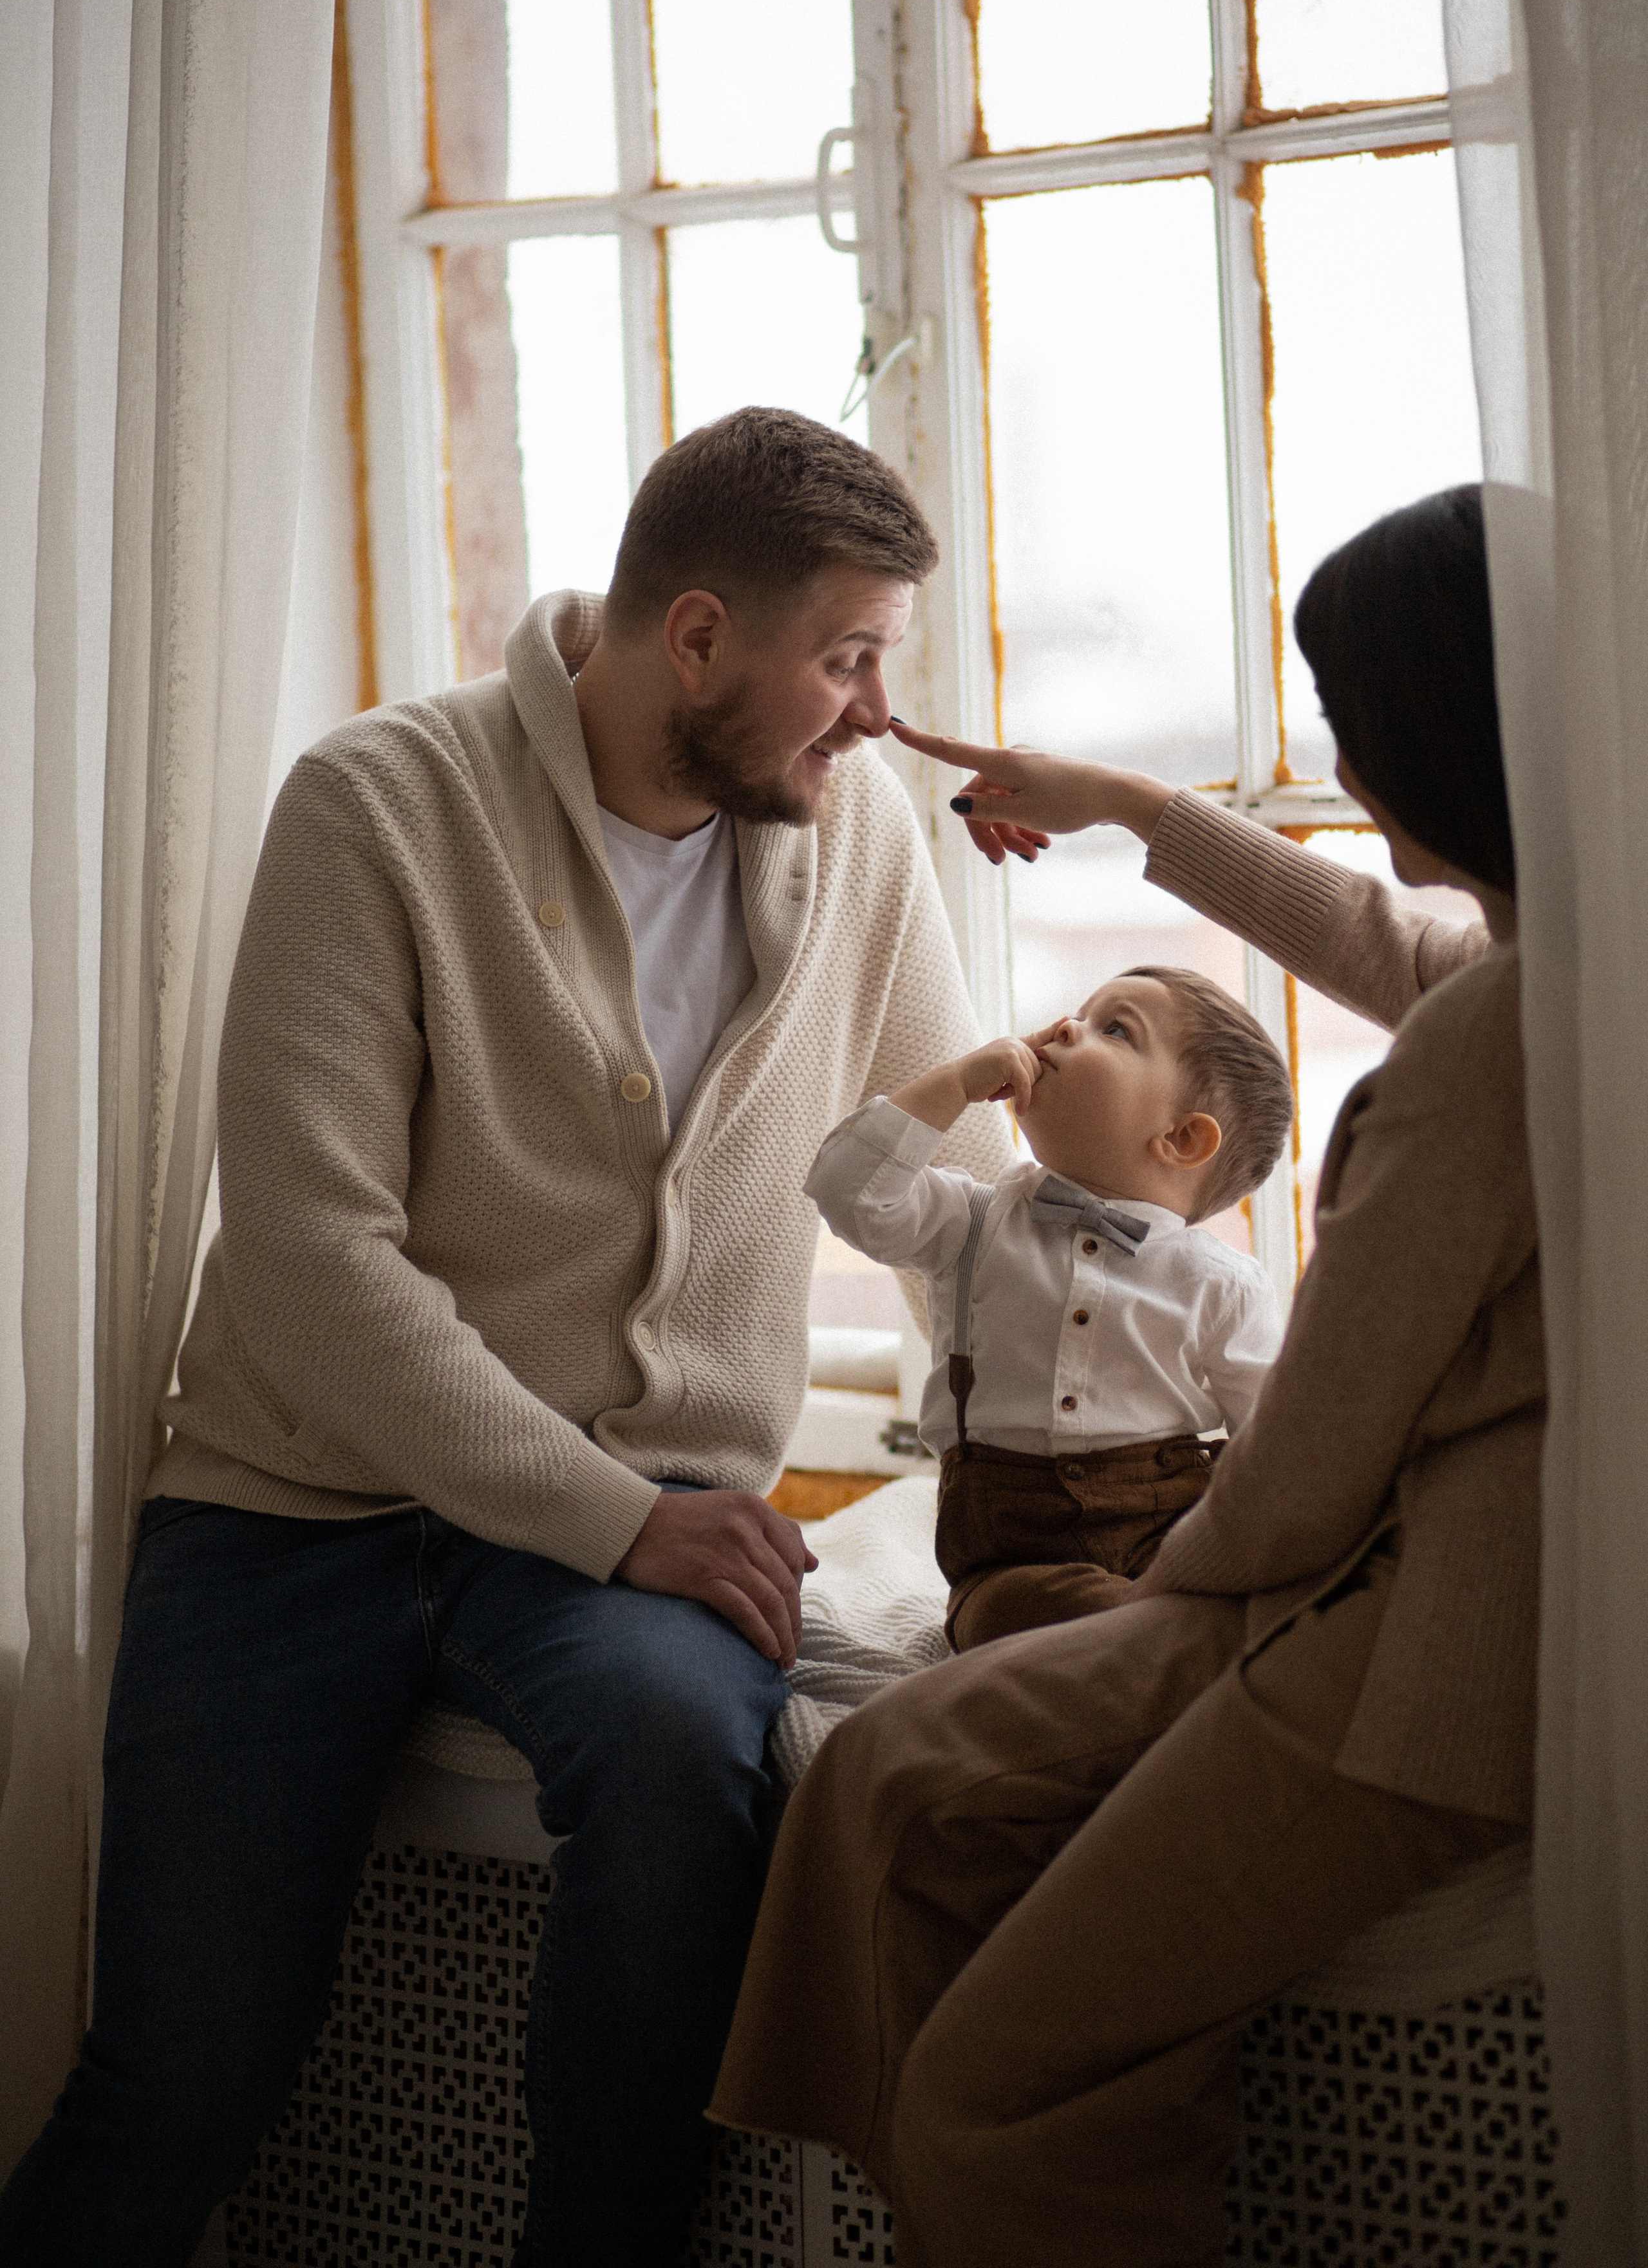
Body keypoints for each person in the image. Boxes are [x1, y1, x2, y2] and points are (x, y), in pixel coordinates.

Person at [0, 408, 1015, 2268]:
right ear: (697, 638)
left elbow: (957, 1166)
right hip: (291, 1508)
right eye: (851, 659)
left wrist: (1062, 1451)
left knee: (676, 1771)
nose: (881, 711)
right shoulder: (382, 801)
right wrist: (625, 1522)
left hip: (634, 1521)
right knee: (177, 2086)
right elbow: (317, 1257)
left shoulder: (854, 830)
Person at [709, 483, 1539, 2268]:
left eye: (1357, 733)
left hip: (1409, 1641)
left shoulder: (1494, 1047)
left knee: (978, 2050)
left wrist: (1172, 1583)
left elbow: (1309, 1451)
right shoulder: (1577, 956)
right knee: (890, 1771)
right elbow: (1425, 960)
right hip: (1334, 1588)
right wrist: (1127, 807)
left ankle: (919, 2167)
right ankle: (898, 2169)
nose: (1343, 767)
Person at [805, 967, 1289, 1648]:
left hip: (1165, 1537)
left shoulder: (1220, 1284)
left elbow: (1276, 1446)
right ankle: (1159, 1641)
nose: (1065, 1027)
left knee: (1249, 1607)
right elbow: (847, 1191)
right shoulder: (970, 1220)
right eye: (1080, 1012)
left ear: (1180, 1139)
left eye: (1114, 1029)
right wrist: (955, 1083)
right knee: (1016, 1617)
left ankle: (1167, 1637)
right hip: (1011, 1562)